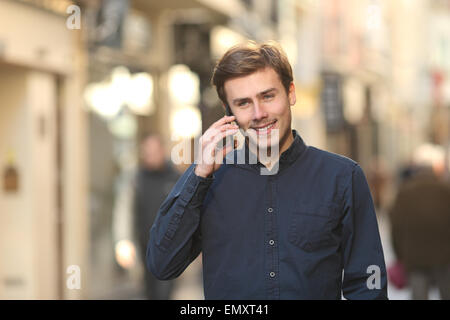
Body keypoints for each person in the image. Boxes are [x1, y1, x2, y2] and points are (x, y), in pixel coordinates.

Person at [147, 41, 388, 299]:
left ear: (291, 93)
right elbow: (162, 264)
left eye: (267, 96)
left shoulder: (343, 177)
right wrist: (198, 176)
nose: (259, 113)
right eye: (243, 103)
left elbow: (368, 282)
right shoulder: (208, 180)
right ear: (229, 113)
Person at [389, 162, 450, 300]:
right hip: (445, 254)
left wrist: (399, 254)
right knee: (447, 292)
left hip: (414, 255)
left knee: (419, 294)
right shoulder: (446, 190)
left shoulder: (404, 193)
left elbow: (396, 226)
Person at [134, 133, 180, 299]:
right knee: (149, 292)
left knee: (164, 292)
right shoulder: (137, 179)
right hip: (144, 247)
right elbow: (128, 211)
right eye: (147, 152)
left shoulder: (175, 178)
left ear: (162, 151)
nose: (150, 156)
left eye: (154, 151)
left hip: (168, 249)